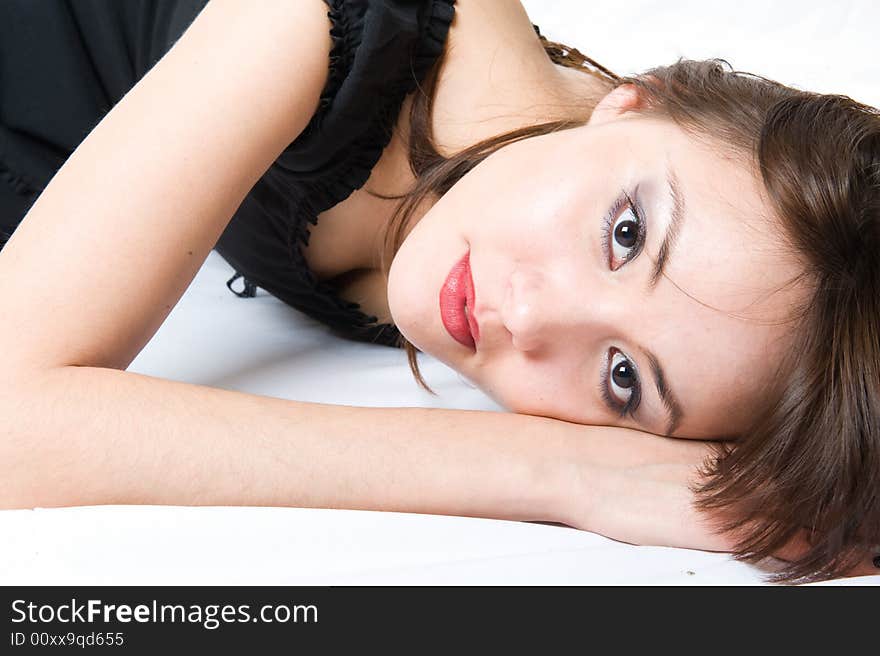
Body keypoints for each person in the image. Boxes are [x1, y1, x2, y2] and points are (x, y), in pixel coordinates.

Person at [0, 0, 876, 583]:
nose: (530, 316)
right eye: (625, 233)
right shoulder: (327, 18)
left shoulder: (500, 230)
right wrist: (562, 474)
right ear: (633, 103)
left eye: (623, 377)